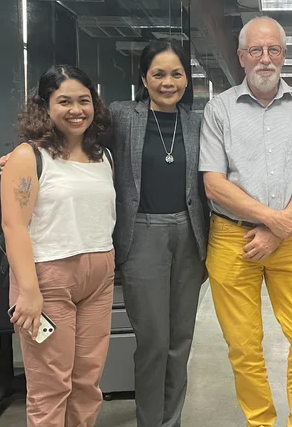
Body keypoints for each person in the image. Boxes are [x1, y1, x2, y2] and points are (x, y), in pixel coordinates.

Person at [199, 16, 292, 427]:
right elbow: (214, 183)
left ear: (284, 55)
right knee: (243, 343)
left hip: (290, 238)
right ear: (241, 56)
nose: (265, 59)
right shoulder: (219, 109)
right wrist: (272, 219)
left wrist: (277, 228)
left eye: (274, 50)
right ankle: (260, 422)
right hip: (231, 240)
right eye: (256, 50)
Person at [1, 65, 116, 427]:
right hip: (47, 279)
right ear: (44, 106)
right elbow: (13, 226)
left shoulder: (103, 157)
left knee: (87, 383)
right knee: (51, 386)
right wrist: (29, 291)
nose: (76, 109)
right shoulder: (27, 156)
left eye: (84, 100)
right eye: (64, 101)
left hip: (98, 278)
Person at [109, 40, 209, 427]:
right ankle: (150, 421)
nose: (169, 82)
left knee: (180, 341)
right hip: (142, 235)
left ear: (187, 77)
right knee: (153, 342)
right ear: (144, 78)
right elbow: (76, 140)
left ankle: (173, 421)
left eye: (176, 73)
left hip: (189, 233)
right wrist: (26, 157)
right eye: (159, 74)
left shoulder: (198, 122)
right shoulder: (122, 117)